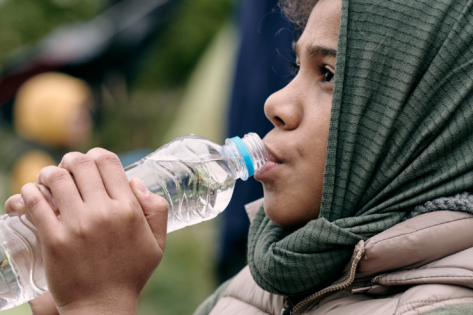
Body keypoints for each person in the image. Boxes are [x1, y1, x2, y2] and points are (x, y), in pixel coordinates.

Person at [5, 0, 473, 314]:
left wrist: (101, 304)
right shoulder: (260, 284)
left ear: (428, 119)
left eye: (327, 73)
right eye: (296, 68)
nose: (275, 103)